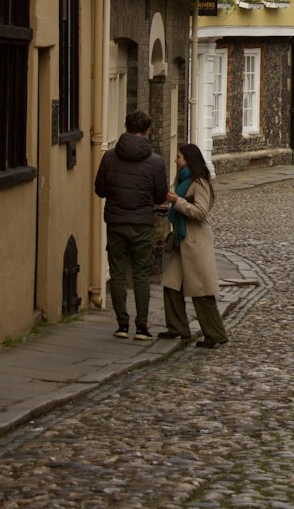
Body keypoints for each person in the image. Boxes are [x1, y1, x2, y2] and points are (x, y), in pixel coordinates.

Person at [94, 110, 168, 341]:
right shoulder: (156, 162)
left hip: (116, 221)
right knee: (141, 275)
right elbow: (159, 197)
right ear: (147, 131)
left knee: (117, 272)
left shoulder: (109, 157)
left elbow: (100, 190)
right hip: (142, 224)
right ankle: (142, 327)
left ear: (125, 127)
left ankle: (122, 325)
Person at [160, 143, 229, 350]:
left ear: (189, 160)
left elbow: (200, 212)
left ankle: (215, 334)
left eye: (179, 157)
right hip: (183, 242)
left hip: (196, 242)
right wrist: (170, 206)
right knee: (171, 284)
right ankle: (178, 328)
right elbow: (180, 206)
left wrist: (177, 202)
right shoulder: (182, 180)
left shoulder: (200, 183)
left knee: (201, 291)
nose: (176, 160)